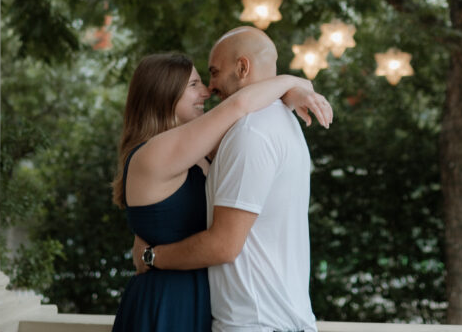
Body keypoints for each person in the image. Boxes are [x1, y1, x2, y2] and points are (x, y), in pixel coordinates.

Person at [112, 50, 332, 332]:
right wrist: (293, 82)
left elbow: (250, 109)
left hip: (202, 300)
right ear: (163, 94)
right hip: (168, 302)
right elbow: (239, 105)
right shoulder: (154, 153)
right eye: (194, 85)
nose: (207, 91)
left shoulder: (196, 153)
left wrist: (290, 94)